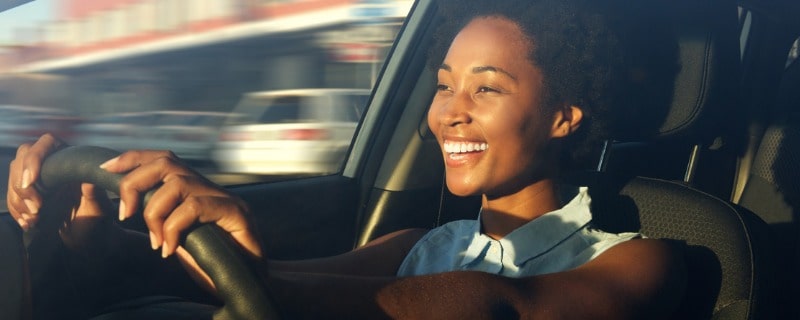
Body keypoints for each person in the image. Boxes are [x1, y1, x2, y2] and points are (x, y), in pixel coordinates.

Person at [6, 0, 686, 318]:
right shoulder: (426, 243)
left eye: (487, 88)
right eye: (445, 84)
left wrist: (262, 283)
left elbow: (503, 307)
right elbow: (270, 280)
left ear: (565, 116)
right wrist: (96, 239)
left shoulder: (639, 258)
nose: (450, 110)